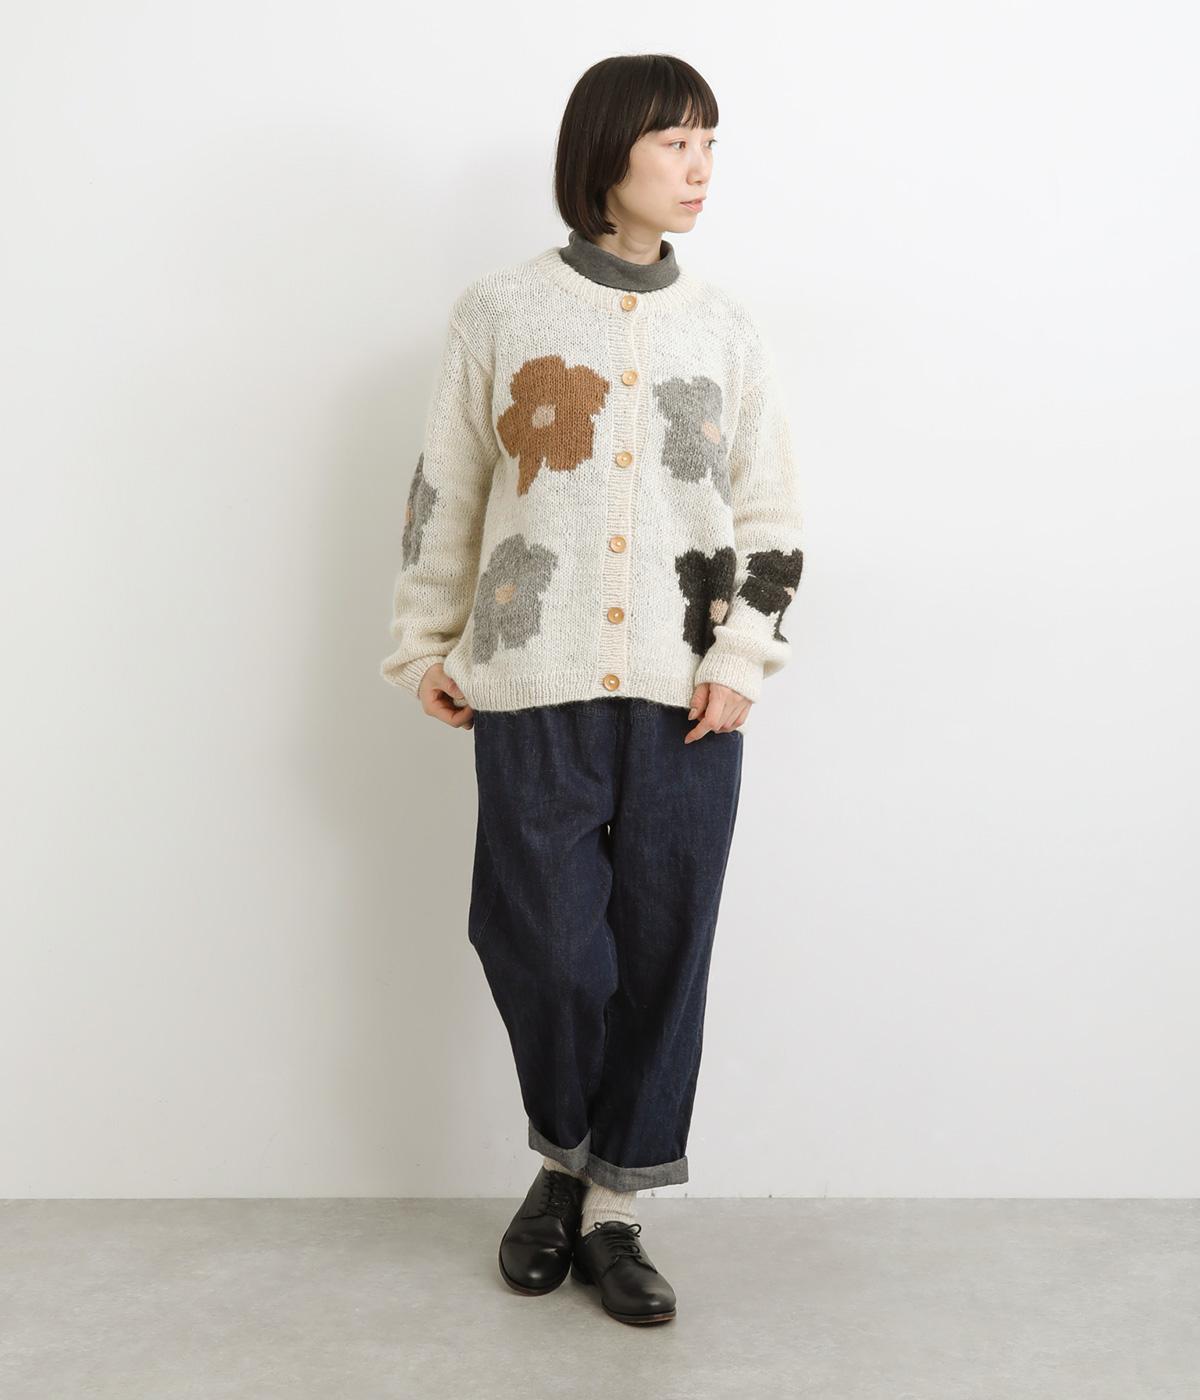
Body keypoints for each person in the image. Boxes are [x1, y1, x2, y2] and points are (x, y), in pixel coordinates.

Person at [379, 53, 804, 1326]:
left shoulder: (726, 326)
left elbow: (768, 512)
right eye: (676, 143)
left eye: (711, 144)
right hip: (529, 678)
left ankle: (610, 1204)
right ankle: (563, 1153)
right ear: (606, 152)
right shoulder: (502, 309)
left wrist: (743, 657)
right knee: (548, 946)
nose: (700, 169)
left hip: (688, 696)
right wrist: (424, 641)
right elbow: (447, 487)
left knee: (665, 950)